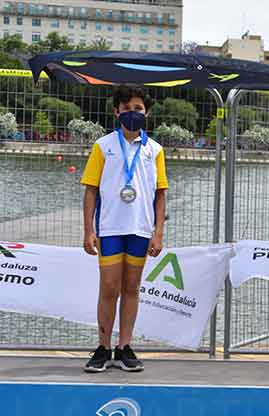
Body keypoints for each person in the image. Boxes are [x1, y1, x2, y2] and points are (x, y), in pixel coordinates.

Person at [81, 85, 168, 372]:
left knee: (132, 288)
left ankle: (125, 347)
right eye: (128, 108)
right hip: (109, 229)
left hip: (140, 231)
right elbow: (91, 191)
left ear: (147, 112)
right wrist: (88, 231)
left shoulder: (155, 150)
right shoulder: (103, 146)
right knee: (109, 288)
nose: (133, 113)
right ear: (116, 111)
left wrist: (158, 232)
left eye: (139, 109)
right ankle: (103, 348)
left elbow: (160, 194)